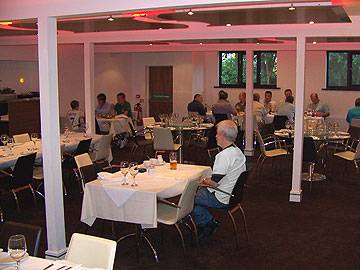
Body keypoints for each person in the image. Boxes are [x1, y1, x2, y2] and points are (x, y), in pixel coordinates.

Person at [193, 120, 246, 239]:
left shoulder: (223, 156)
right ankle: (207, 222)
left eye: (217, 133)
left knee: (187, 197)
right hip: (233, 196)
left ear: (222, 135)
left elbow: (214, 184)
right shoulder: (237, 152)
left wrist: (203, 180)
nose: (215, 136)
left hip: (221, 197)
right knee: (195, 198)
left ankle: (208, 223)